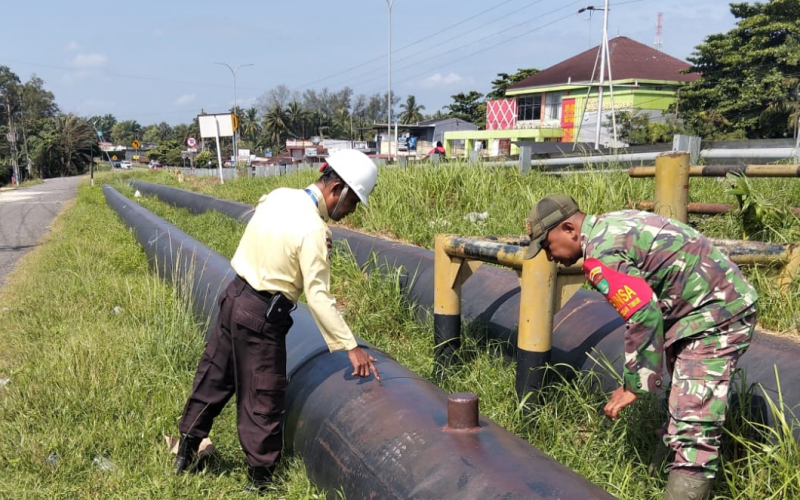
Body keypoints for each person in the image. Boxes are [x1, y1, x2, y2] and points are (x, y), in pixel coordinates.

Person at [523, 194, 757, 500]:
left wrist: (635, 384)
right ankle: (657, 480)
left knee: (693, 428)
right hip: (701, 309)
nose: (549, 256)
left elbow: (643, 312)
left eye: (546, 245)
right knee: (683, 405)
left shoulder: (599, 257)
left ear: (568, 228)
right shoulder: (612, 223)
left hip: (715, 317)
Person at [174, 149, 381, 492]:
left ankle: (185, 453)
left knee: (214, 375)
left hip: (234, 297)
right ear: (337, 190)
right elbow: (318, 296)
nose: (349, 212)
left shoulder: (279, 197)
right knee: (263, 396)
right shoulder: (315, 230)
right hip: (261, 317)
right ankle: (260, 483)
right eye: (352, 203)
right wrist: (351, 346)